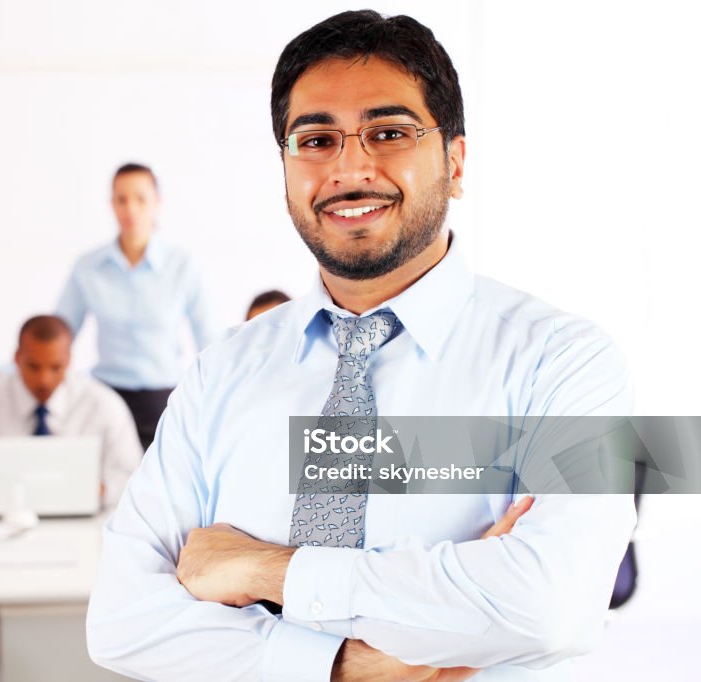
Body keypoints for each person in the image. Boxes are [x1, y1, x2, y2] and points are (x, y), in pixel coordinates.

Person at [86, 10, 634, 682]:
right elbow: (120, 621)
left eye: (389, 132)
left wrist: (269, 568)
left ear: (455, 162)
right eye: (315, 140)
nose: (350, 166)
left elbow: (551, 605)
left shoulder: (566, 362)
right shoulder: (222, 372)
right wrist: (343, 665)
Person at [55, 163, 218, 449]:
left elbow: (209, 340)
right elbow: (58, 334)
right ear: (111, 204)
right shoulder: (88, 267)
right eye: (121, 199)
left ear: (157, 203)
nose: (130, 208)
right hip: (105, 398)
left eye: (140, 199)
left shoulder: (182, 266)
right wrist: (7, 370)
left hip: (162, 401)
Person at [0, 315, 142, 516]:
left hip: (84, 533)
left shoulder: (103, 405)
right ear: (17, 358)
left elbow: (136, 484)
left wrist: (100, 490)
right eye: (34, 366)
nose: (44, 380)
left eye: (55, 367)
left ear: (68, 360)